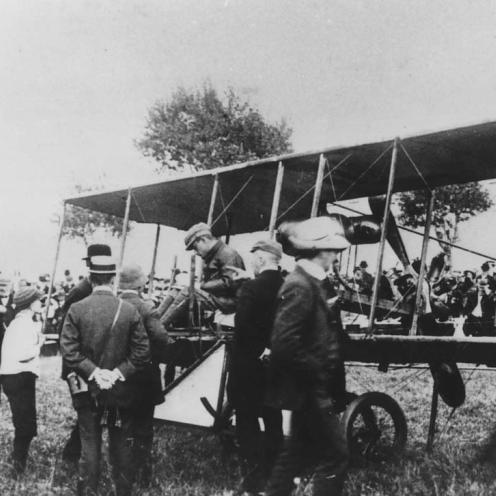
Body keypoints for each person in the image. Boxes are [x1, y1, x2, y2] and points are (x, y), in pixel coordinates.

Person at [265, 216, 350, 496]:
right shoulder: (300, 285)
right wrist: (316, 370)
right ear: (320, 251)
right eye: (334, 250)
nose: (336, 257)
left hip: (307, 389)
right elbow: (284, 343)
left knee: (295, 453)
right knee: (336, 454)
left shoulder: (308, 282)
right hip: (311, 389)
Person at [60, 255, 150, 496]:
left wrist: (95, 373)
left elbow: (68, 351)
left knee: (89, 444)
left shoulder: (76, 309)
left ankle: (87, 491)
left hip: (87, 390)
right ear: (113, 279)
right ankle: (123, 491)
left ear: (90, 278)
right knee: (121, 445)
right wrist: (118, 373)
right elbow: (142, 352)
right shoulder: (129, 310)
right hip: (120, 391)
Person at [228, 240, 284, 495]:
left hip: (250, 367)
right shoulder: (288, 287)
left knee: (247, 422)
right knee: (273, 420)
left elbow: (243, 329)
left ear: (261, 259)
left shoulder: (251, 289)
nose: (251, 262)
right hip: (277, 366)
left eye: (254, 258)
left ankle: (252, 483)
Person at [60, 243, 112, 464]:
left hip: (89, 361)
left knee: (92, 410)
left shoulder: (88, 289)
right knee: (89, 410)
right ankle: (74, 455)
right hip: (80, 362)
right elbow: (67, 330)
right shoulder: (81, 291)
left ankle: (75, 454)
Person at [118, 263, 169, 487]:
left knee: (122, 422)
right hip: (144, 375)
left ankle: (122, 470)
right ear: (141, 283)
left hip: (119, 373)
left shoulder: (113, 304)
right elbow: (161, 338)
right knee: (144, 425)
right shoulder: (146, 307)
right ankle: (142, 473)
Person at [159, 222, 246, 326]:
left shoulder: (228, 254)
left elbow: (230, 282)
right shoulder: (216, 254)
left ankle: (159, 328)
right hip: (219, 298)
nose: (195, 252)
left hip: (230, 302)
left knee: (187, 291)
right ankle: (154, 323)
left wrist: (200, 286)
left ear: (203, 240)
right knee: (176, 290)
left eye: (195, 247)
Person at [0, 286, 44, 476]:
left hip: (16, 377)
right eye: (38, 300)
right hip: (19, 377)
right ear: (29, 303)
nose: (41, 303)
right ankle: (17, 468)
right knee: (25, 425)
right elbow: (24, 355)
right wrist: (39, 345)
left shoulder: (21, 323)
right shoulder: (23, 324)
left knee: (25, 423)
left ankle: (18, 462)